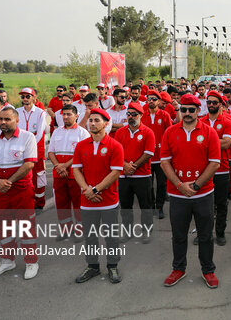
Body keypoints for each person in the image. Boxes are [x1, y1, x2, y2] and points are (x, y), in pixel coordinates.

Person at [160, 94, 221, 289]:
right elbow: (165, 162)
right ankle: (179, 268)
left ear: (198, 111)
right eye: (183, 109)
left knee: (205, 235)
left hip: (203, 194)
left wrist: (195, 186)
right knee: (178, 235)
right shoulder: (170, 132)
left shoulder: (209, 132)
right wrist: (180, 185)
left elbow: (214, 163)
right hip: (178, 195)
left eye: (191, 110)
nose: (187, 113)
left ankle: (208, 270)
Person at [0, 107, 39, 280]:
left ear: (17, 120)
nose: (3, 122)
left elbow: (29, 164)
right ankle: (7, 260)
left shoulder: (28, 137)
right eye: (1, 119)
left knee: (25, 226)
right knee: (3, 225)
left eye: (7, 119)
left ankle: (31, 262)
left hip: (21, 189)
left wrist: (10, 181)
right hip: (0, 189)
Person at [72, 108, 124, 284]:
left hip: (108, 200)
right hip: (87, 201)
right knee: (90, 236)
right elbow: (77, 170)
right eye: (91, 120)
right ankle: (92, 266)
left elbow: (115, 172)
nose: (92, 123)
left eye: (97, 120)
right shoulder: (81, 145)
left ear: (106, 123)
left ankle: (112, 266)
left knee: (111, 235)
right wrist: (87, 190)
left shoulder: (115, 145)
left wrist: (95, 190)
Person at [114, 102, 156, 244]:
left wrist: (134, 166)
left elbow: (149, 153)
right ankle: (127, 232)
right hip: (124, 176)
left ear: (141, 115)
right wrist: (125, 165)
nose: (131, 117)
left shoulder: (148, 132)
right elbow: (116, 153)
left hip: (143, 176)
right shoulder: (120, 132)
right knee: (126, 206)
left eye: (134, 114)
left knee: (146, 206)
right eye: (129, 114)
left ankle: (146, 232)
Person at [199, 91, 231, 246]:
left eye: (215, 102)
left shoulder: (227, 121)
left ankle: (220, 233)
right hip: (202, 170)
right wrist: (216, 141)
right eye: (209, 102)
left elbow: (227, 143)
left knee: (221, 204)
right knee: (202, 206)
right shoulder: (200, 121)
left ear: (221, 104)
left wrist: (205, 142)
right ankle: (203, 233)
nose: (211, 105)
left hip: (221, 169)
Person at [47, 104, 90, 240]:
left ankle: (80, 231)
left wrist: (65, 165)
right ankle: (66, 230)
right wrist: (58, 166)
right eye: (63, 114)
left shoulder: (82, 133)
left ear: (76, 116)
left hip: (75, 174)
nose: (65, 117)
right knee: (61, 203)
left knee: (78, 203)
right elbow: (51, 152)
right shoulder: (57, 131)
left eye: (69, 114)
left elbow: (83, 154)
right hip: (58, 174)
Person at [142, 90, 173, 219]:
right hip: (147, 157)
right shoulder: (142, 116)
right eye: (149, 99)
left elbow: (170, 134)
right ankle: (151, 207)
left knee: (161, 184)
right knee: (148, 185)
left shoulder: (165, 115)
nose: (151, 101)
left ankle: (159, 207)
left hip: (161, 157)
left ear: (159, 101)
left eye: (154, 99)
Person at [16, 87, 47, 211]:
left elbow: (40, 133)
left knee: (38, 175)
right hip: (20, 147)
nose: (25, 99)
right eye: (23, 96)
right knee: (23, 175)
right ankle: (27, 201)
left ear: (34, 98)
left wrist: (30, 144)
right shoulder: (17, 111)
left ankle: (39, 201)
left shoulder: (40, 112)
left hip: (36, 147)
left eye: (27, 96)